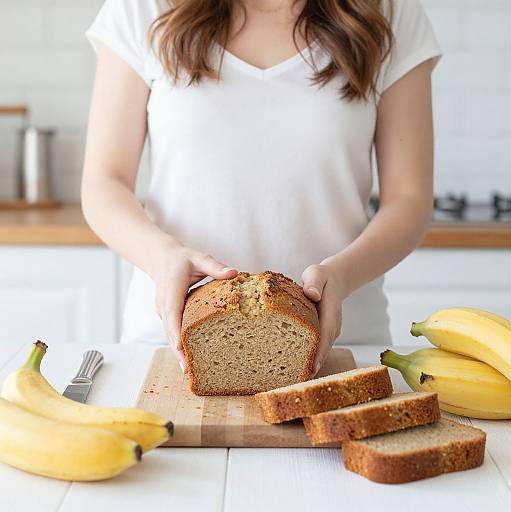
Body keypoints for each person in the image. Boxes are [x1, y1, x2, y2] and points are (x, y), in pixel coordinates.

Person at [83, 0, 441, 373]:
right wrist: (163, 257)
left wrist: (343, 274)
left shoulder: (388, 12)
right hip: (169, 343)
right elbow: (104, 182)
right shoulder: (141, 8)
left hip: (342, 347)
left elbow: (408, 198)